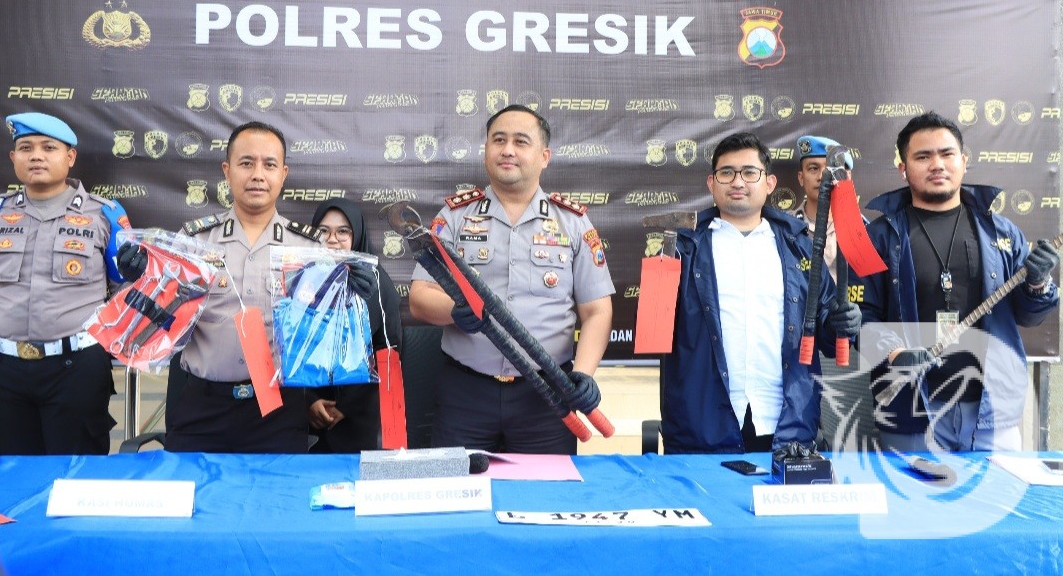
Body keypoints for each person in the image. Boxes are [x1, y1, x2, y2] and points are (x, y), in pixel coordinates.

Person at [409, 104, 614, 454]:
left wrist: (583, 373)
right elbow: (419, 296)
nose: (507, 150)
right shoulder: (455, 217)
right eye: (499, 140)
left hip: (547, 398)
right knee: (459, 486)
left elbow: (597, 311)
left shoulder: (573, 223)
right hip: (465, 394)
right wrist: (453, 310)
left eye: (521, 141)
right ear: (485, 151)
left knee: (545, 489)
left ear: (544, 156)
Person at [859, 112, 1058, 452]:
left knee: (1000, 490)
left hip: (993, 414)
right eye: (923, 156)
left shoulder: (1002, 232)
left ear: (964, 161)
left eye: (947, 154)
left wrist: (1038, 285)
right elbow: (861, 315)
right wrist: (894, 352)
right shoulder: (879, 237)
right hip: (911, 412)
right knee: (912, 490)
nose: (937, 164)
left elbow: (1029, 315)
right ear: (903, 168)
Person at [120, 122, 324, 453]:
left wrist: (355, 295)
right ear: (227, 171)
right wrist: (143, 280)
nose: (258, 175)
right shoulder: (193, 242)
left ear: (283, 174)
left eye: (269, 165)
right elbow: (163, 325)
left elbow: (322, 333)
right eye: (247, 163)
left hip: (279, 411)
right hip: (203, 410)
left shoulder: (309, 249)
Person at [663, 132, 862, 454]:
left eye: (749, 172)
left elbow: (826, 331)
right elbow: (655, 333)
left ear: (769, 183)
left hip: (786, 423)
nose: (737, 182)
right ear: (711, 183)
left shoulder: (800, 247)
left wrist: (843, 322)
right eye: (727, 173)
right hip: (701, 426)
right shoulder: (683, 248)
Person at [0, 112, 132, 455]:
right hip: (2, 372)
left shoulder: (105, 215)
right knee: (7, 476)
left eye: (48, 147)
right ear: (13, 157)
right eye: (26, 148)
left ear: (70, 157)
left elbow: (124, 290)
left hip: (76, 370)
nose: (36, 156)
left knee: (75, 475)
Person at [307, 199, 401, 453]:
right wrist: (309, 401)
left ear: (356, 236)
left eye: (343, 231)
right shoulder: (301, 279)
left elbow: (389, 352)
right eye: (323, 231)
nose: (332, 239)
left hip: (362, 416)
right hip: (306, 416)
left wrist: (346, 407)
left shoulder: (376, 283)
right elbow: (289, 349)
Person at [791, 135, 844, 282]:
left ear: (845, 176)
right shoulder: (786, 228)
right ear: (801, 178)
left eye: (831, 169)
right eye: (813, 168)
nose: (822, 176)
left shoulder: (861, 230)